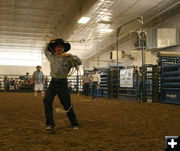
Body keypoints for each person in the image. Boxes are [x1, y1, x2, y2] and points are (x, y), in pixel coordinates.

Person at [43, 38, 82, 132]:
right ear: (54, 48)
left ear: (64, 48)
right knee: (46, 100)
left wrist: (71, 56)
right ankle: (50, 124)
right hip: (53, 82)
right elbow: (45, 51)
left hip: (62, 83)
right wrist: (49, 42)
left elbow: (79, 62)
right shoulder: (51, 57)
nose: (59, 48)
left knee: (67, 104)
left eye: (61, 46)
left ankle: (74, 123)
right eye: (57, 46)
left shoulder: (68, 58)